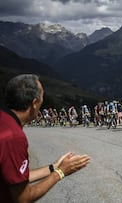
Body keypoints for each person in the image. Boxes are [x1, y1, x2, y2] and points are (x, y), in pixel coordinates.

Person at [0, 74, 90, 203]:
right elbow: (23, 198)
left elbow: (15, 178)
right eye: (42, 96)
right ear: (35, 103)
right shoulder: (13, 137)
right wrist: (60, 172)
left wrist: (54, 167)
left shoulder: (4, 120)